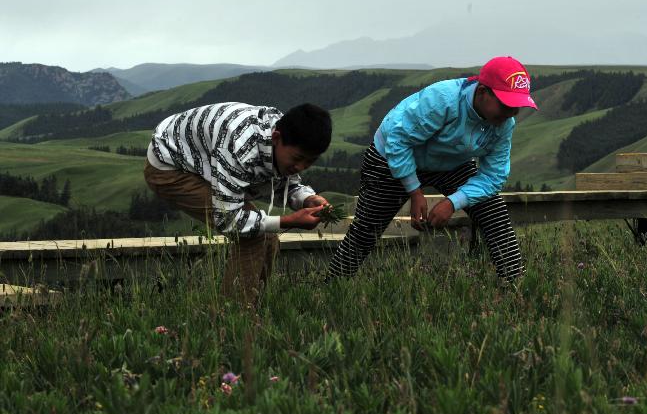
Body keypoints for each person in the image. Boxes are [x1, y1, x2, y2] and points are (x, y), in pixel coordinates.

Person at [328, 56, 538, 281]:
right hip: (392, 153)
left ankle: (515, 285)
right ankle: (332, 286)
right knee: (367, 229)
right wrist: (415, 191)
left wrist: (453, 202)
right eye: (505, 105)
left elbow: (493, 176)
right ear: (482, 92)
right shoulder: (443, 99)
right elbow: (398, 141)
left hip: (451, 161)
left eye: (517, 107)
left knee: (493, 210)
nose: (510, 114)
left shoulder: (505, 124)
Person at [144, 102, 332, 303]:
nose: (301, 167)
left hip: (200, 157)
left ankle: (251, 310)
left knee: (267, 236)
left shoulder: (281, 133)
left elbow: (284, 182)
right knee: (253, 237)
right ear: (276, 138)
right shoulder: (239, 145)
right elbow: (228, 220)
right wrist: (288, 221)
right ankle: (234, 320)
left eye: (309, 162)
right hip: (169, 166)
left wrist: (307, 199)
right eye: (298, 158)